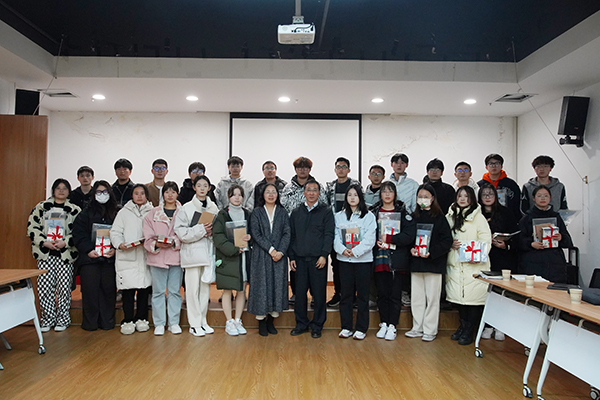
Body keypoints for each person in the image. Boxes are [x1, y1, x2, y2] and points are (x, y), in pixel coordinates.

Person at [27, 178, 81, 332]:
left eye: (65, 188)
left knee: (64, 288)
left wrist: (65, 242)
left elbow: (79, 231)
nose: (61, 191)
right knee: (45, 288)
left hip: (65, 255)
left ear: (69, 191)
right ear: (53, 190)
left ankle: (63, 319)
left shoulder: (75, 209)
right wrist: (44, 242)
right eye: (58, 188)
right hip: (45, 254)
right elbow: (32, 227)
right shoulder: (41, 207)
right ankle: (47, 319)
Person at [405, 184, 453, 342]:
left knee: (432, 298)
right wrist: (411, 249)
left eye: (426, 197)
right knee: (417, 297)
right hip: (416, 262)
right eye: (420, 197)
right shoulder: (413, 217)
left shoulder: (440, 217)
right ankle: (417, 327)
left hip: (434, 263)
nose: (423, 199)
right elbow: (408, 238)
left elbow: (447, 241)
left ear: (432, 198)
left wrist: (431, 252)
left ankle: (430, 329)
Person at [369, 181, 416, 341]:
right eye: (384, 191)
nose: (387, 194)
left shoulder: (402, 212)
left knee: (395, 295)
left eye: (390, 191)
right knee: (382, 294)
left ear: (395, 194)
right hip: (379, 258)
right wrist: (374, 242)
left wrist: (390, 239)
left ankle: (392, 325)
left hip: (397, 259)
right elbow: (367, 232)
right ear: (380, 194)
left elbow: (409, 236)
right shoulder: (374, 212)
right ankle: (383, 323)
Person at [446, 186, 492, 346]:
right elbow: (444, 236)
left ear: (472, 198)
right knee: (459, 299)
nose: (462, 199)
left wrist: (477, 256)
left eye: (466, 196)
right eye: (460, 196)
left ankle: (469, 330)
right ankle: (463, 326)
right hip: (455, 263)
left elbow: (486, 239)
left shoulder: (479, 218)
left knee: (473, 300)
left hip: (474, 265)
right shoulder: (449, 216)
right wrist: (450, 243)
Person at [288, 179, 334, 339]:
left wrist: (324, 255)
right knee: (300, 295)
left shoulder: (326, 211)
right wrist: (291, 257)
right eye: (309, 190)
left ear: (319, 193)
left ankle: (317, 326)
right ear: (304, 193)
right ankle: (301, 324)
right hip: (299, 260)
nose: (312, 193)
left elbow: (329, 234)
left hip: (318, 260)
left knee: (319, 295)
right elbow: (292, 235)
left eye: (315, 190)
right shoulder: (296, 212)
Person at [174, 175, 219, 337]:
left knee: (205, 290)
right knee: (192, 290)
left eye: (205, 185)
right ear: (194, 187)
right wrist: (201, 230)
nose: (202, 188)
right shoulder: (186, 208)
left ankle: (203, 321)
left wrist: (212, 233)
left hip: (207, 253)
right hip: (192, 253)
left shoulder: (214, 208)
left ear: (209, 188)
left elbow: (218, 230)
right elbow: (181, 233)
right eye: (199, 185)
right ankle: (194, 323)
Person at [72, 180, 119, 331]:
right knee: (90, 291)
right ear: (93, 194)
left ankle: (107, 322)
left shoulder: (116, 212)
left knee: (108, 291)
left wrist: (115, 248)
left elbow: (121, 233)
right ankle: (90, 323)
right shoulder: (85, 213)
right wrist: (88, 250)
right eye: (99, 192)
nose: (102, 195)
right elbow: (78, 234)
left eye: (105, 192)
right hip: (89, 259)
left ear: (110, 193)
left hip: (109, 259)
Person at [280, 156, 326, 303]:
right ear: (295, 169)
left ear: (310, 169)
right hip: (294, 231)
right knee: (295, 266)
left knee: (315, 268)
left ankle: (314, 295)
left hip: (314, 233)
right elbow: (282, 207)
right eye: (299, 167)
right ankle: (296, 293)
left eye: (305, 167)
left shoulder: (318, 186)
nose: (302, 170)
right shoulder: (288, 188)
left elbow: (324, 205)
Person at [334, 184, 377, 340]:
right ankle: (346, 327)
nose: (352, 198)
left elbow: (370, 239)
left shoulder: (369, 216)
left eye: (356, 195)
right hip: (344, 260)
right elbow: (335, 237)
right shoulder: (338, 216)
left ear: (361, 197)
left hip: (363, 261)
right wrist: (343, 250)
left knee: (363, 296)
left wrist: (355, 251)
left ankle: (361, 328)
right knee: (346, 294)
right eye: (349, 195)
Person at [110, 183, 154, 335]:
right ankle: (127, 319)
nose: (139, 196)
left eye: (142, 193)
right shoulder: (123, 212)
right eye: (136, 193)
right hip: (127, 255)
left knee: (144, 290)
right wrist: (119, 244)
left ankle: (141, 318)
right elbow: (115, 232)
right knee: (128, 291)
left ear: (146, 195)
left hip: (145, 255)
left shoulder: (153, 211)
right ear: (132, 195)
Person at [247, 183, 291, 336]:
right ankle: (261, 321)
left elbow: (287, 233)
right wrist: (271, 250)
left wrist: (281, 251)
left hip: (279, 256)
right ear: (263, 195)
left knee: (276, 286)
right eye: (268, 192)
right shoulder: (257, 212)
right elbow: (256, 233)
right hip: (261, 255)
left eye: (274, 192)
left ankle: (271, 321)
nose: (271, 195)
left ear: (278, 195)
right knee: (261, 286)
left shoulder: (282, 212)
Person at [477, 182, 518, 341]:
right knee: (486, 293)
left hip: (502, 257)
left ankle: (500, 326)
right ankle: (487, 325)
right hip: (483, 257)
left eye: (491, 194)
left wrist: (505, 244)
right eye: (484, 194)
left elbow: (515, 236)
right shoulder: (476, 213)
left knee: (501, 293)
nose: (487, 197)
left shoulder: (506, 213)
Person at [143, 181, 184, 336]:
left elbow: (187, 233)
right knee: (158, 292)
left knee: (174, 291)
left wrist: (175, 242)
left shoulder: (183, 212)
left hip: (176, 257)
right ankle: (159, 323)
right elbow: (147, 236)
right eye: (167, 192)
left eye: (173, 192)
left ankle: (174, 323)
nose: (170, 195)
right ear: (163, 194)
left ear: (177, 194)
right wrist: (156, 244)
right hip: (157, 257)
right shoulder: (153, 213)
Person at [213, 184, 252, 336]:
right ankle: (229, 321)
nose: (237, 197)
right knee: (227, 289)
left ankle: (238, 320)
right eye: (234, 194)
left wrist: (250, 237)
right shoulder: (222, 215)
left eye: (239, 195)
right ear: (229, 197)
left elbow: (254, 232)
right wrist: (234, 249)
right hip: (228, 257)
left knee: (242, 289)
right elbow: (218, 237)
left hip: (244, 257)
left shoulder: (248, 214)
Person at [325, 157, 361, 308]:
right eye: (338, 167)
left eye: (344, 166)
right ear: (335, 169)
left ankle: (353, 295)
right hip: (336, 228)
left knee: (353, 264)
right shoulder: (330, 187)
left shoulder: (355, 185)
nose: (341, 169)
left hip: (353, 228)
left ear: (349, 169)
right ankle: (338, 293)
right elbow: (326, 207)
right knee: (336, 264)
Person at [518, 185, 573, 283]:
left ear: (550, 198)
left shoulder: (556, 216)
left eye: (546, 196)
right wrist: (531, 244)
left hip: (554, 263)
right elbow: (519, 240)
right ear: (533, 199)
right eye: (539, 196)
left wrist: (561, 237)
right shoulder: (527, 218)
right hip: (534, 262)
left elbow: (568, 241)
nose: (543, 198)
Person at [477, 153, 521, 221]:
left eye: (497, 163)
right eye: (491, 164)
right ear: (486, 167)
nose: (494, 166)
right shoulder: (480, 185)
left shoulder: (511, 184)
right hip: (485, 219)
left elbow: (517, 204)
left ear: (501, 166)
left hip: (508, 220)